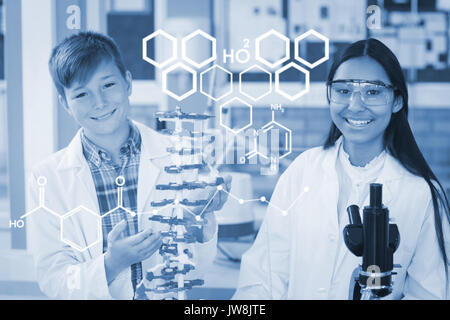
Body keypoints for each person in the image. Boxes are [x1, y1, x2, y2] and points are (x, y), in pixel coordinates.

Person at [233, 38, 450, 299]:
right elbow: (264, 277)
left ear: (397, 100)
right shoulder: (302, 171)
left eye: (373, 92)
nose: (355, 105)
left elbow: (430, 293)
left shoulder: (422, 193)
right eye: (343, 91)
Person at [27, 31, 229, 300]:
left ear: (128, 83)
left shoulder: (181, 158)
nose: (99, 103)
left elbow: (199, 264)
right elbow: (54, 280)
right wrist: (112, 263)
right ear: (65, 103)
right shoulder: (47, 179)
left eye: (108, 85)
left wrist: (200, 219)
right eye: (81, 94)